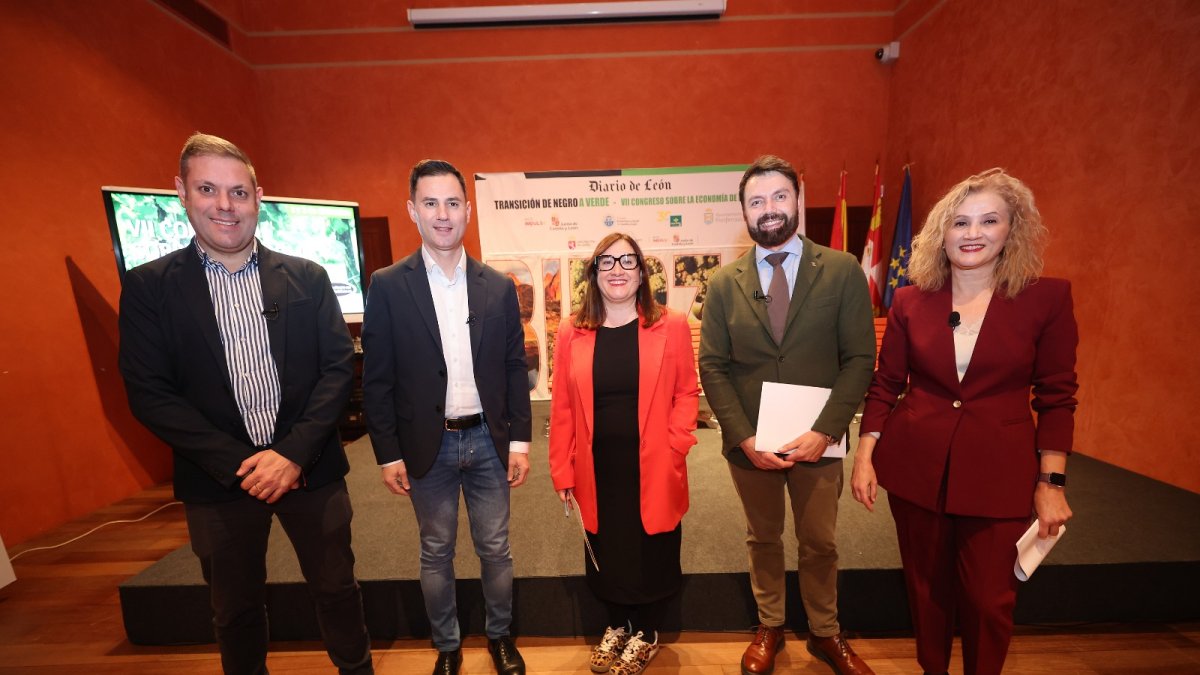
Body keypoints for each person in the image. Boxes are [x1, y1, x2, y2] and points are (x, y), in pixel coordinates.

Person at [118, 133, 373, 675]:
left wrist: (292, 455)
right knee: (234, 609)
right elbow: (149, 392)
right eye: (207, 189)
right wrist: (243, 465)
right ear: (181, 193)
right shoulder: (148, 288)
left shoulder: (308, 277)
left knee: (337, 590)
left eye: (238, 192)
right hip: (217, 480)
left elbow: (336, 370)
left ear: (258, 197)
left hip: (310, 470)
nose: (225, 205)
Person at [851, 168, 1077, 675]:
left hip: (999, 475)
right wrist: (865, 456)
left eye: (988, 221)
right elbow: (886, 384)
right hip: (916, 472)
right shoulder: (910, 300)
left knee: (988, 601)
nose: (973, 233)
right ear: (942, 233)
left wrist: (1051, 483)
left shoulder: (1046, 299)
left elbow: (1057, 398)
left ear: (1012, 229)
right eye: (960, 222)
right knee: (925, 593)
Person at [698, 155, 876, 675]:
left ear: (797, 199)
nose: (769, 208)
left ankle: (825, 631)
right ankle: (770, 624)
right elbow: (712, 365)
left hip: (818, 440)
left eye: (779, 196)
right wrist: (743, 436)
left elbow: (859, 359)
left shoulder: (841, 269)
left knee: (820, 541)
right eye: (756, 201)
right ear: (745, 213)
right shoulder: (723, 282)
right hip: (751, 443)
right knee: (763, 537)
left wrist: (826, 431)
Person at [360, 160, 533, 675]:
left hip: (488, 441)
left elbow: (514, 367)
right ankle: (448, 646)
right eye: (431, 203)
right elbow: (377, 380)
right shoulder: (388, 285)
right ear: (413, 210)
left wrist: (520, 442)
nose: (443, 214)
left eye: (452, 203)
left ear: (467, 211)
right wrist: (387, 453)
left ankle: (500, 637)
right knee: (435, 551)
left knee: (496, 548)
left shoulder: (497, 286)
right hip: (425, 446)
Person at [548, 233, 700, 675]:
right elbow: (562, 407)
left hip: (655, 463)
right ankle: (617, 625)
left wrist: (675, 445)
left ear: (642, 272)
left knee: (651, 546)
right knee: (607, 546)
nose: (617, 269)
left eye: (628, 261)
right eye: (607, 261)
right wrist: (562, 470)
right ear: (594, 272)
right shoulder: (571, 330)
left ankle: (646, 633)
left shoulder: (671, 325)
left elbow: (687, 392)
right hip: (596, 467)